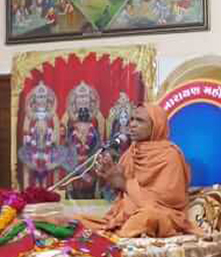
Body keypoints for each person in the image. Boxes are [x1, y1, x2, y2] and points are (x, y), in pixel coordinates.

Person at [84, 102, 200, 238]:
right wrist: (109, 178)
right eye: (132, 120)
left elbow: (168, 201)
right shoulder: (131, 152)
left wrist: (125, 184)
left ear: (156, 125)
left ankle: (120, 234)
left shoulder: (170, 155)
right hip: (129, 212)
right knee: (74, 222)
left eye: (139, 120)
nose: (132, 125)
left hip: (162, 213)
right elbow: (121, 193)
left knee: (144, 219)